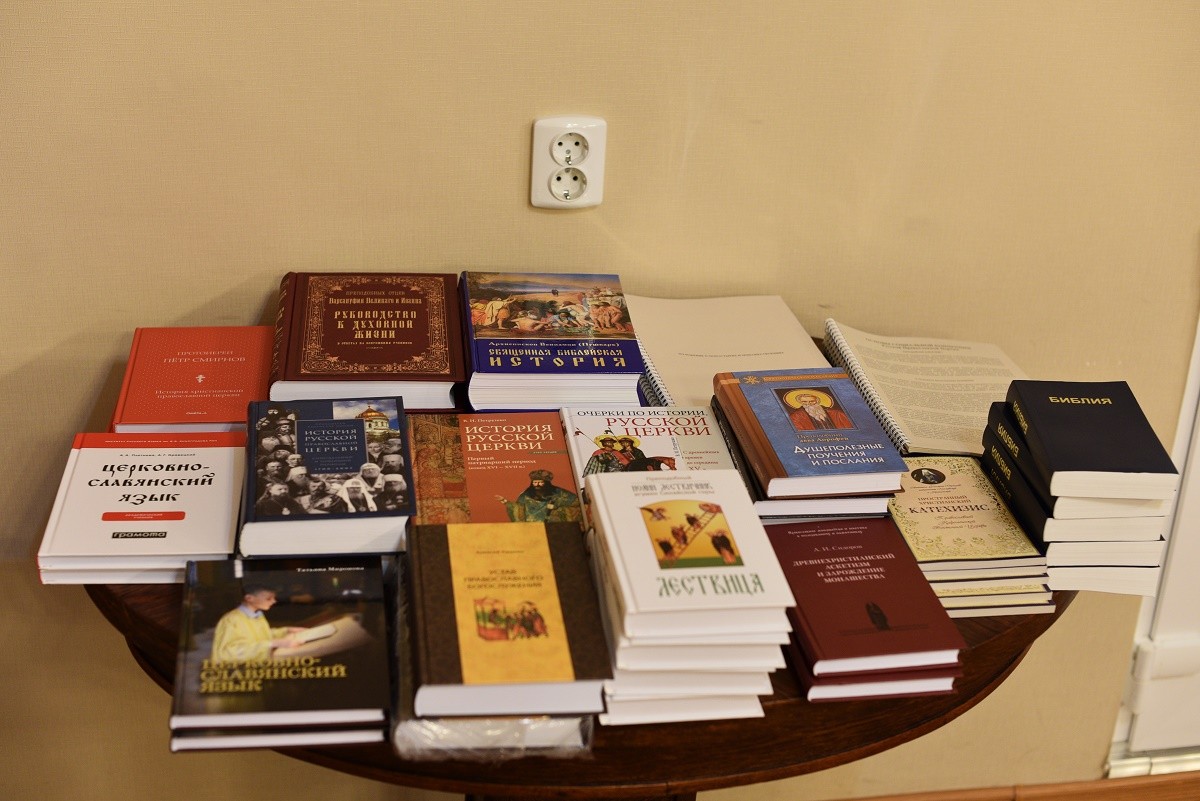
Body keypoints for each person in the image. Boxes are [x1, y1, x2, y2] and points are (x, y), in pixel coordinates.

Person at [210, 583, 308, 663]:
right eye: (269, 598)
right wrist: (273, 643)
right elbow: (227, 654)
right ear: (249, 598)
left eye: (274, 598)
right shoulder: (231, 620)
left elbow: (260, 636)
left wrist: (286, 630)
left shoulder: (257, 614)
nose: (274, 601)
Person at [495, 469, 581, 522]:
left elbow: (577, 506)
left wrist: (557, 510)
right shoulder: (525, 495)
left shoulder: (561, 493)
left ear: (546, 483)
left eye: (540, 482)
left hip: (555, 530)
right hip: (532, 530)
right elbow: (518, 508)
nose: (537, 485)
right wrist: (505, 501)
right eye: (535, 482)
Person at [789, 392, 853, 430]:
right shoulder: (796, 416)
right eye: (804, 402)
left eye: (812, 401)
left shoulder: (837, 414)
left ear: (817, 401)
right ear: (800, 402)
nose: (808, 404)